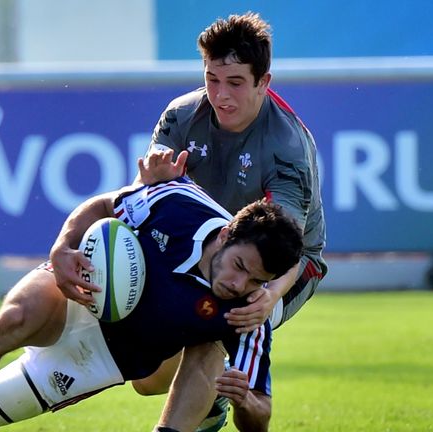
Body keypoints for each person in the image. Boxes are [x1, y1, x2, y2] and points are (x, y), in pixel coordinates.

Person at [0, 176, 303, 432]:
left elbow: (260, 416)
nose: (237, 283)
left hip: (98, 361)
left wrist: (245, 403)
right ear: (225, 235)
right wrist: (63, 248)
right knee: (14, 317)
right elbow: (102, 205)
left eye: (255, 280)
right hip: (75, 296)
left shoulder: (250, 313)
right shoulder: (180, 205)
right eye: (238, 265)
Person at [49, 12, 327, 431]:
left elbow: (283, 246)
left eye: (235, 82)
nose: (221, 95)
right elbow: (140, 201)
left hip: (286, 264)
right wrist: (149, 182)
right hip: (207, 251)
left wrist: (269, 296)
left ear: (263, 83)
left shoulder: (286, 145)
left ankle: (209, 408)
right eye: (212, 79)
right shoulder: (181, 116)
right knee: (148, 380)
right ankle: (212, 399)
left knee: (223, 320)